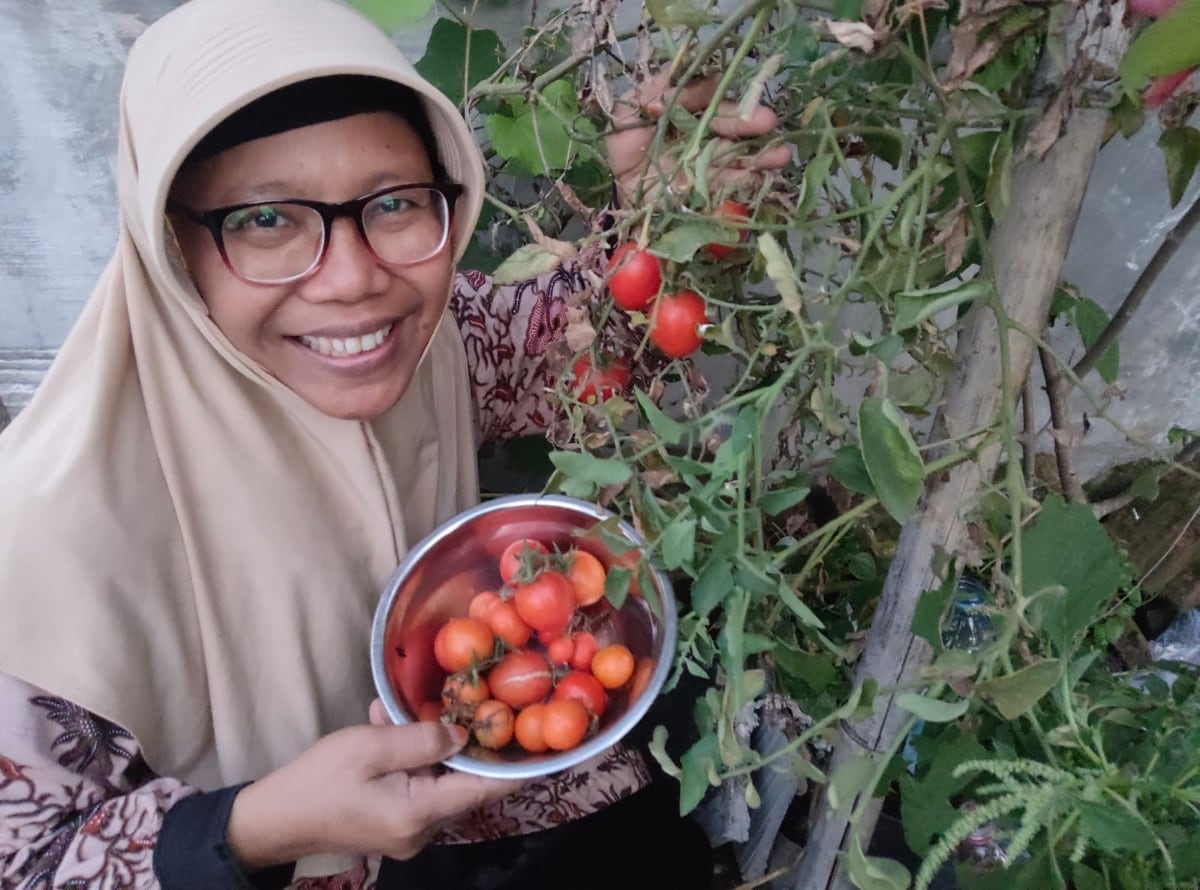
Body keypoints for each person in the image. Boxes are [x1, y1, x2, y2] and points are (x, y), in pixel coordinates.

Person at [0, 0, 788, 887]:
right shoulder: (42, 539)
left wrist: (661, 218)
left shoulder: (438, 344)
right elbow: (27, 863)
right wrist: (252, 828)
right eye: (265, 221)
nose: (352, 281)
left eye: (397, 203)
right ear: (166, 244)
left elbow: (576, 345)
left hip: (483, 795)